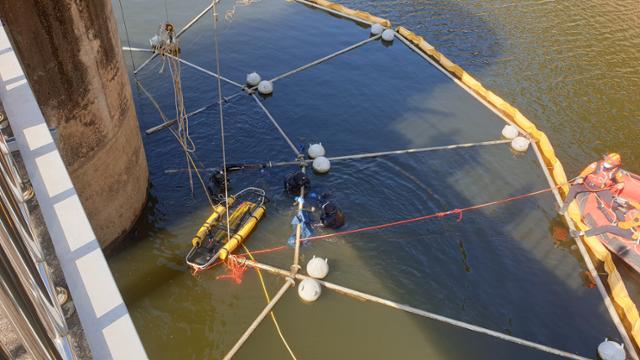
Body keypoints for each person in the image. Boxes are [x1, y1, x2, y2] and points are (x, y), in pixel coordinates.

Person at [559, 153, 625, 215]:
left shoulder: (617, 172)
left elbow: (621, 182)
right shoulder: (596, 164)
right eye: (607, 161)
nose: (607, 164)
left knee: (611, 202)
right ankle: (565, 206)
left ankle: (620, 210)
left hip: (601, 189)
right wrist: (581, 178)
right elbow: (584, 173)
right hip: (587, 184)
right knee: (573, 189)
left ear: (615, 165)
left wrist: (621, 185)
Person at [572, 198, 640, 241]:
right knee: (618, 212)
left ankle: (581, 233)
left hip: (631, 234)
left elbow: (627, 225)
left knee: (607, 228)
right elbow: (637, 206)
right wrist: (627, 202)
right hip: (630, 227)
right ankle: (602, 208)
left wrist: (617, 224)